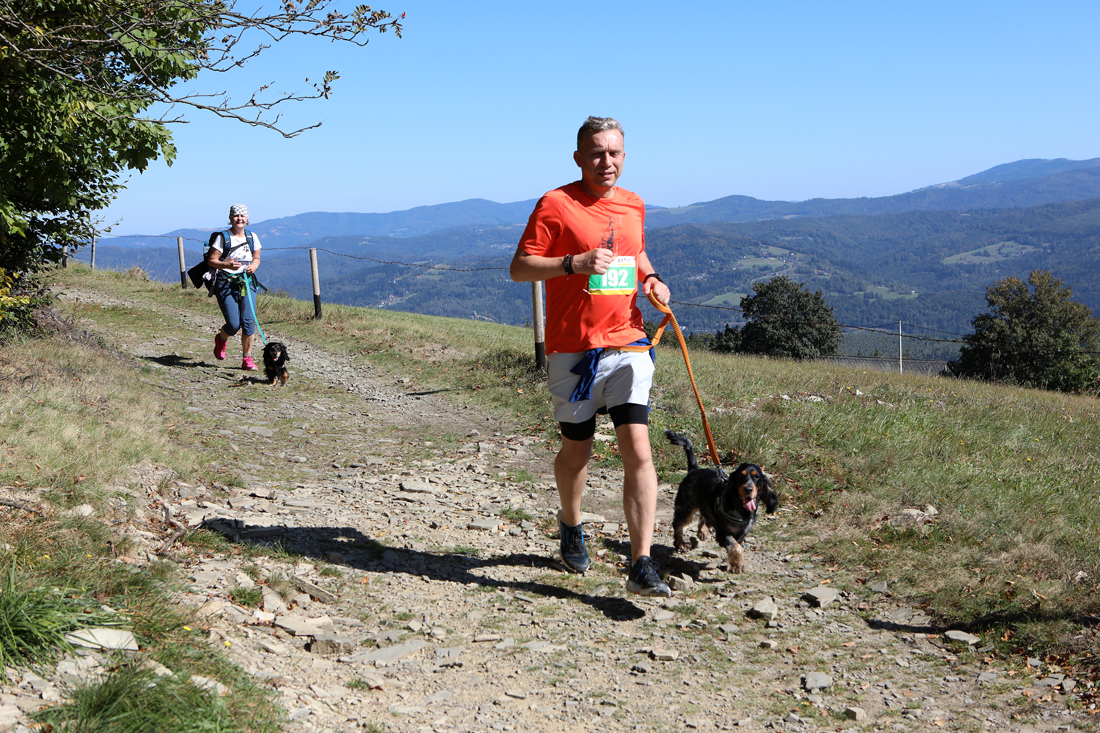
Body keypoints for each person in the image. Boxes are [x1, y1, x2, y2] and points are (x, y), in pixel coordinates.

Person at [509, 116, 673, 597]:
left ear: (624, 156)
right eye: (597, 153)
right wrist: (572, 264)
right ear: (579, 157)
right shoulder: (556, 203)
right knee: (577, 451)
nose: (607, 161)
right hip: (575, 350)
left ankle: (641, 562)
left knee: (638, 449)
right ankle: (571, 522)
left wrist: (651, 279)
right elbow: (519, 268)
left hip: (628, 342)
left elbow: (636, 254)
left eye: (615, 153)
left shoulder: (634, 204)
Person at [208, 204, 263, 371]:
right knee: (233, 324)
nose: (239, 219)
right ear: (231, 218)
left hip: (247, 283)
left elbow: (257, 258)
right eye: (236, 216)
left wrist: (254, 266)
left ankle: (247, 359)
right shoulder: (223, 237)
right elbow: (212, 260)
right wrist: (226, 265)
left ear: (247, 218)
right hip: (226, 283)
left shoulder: (252, 237)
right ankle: (221, 339)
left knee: (248, 321)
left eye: (242, 216)